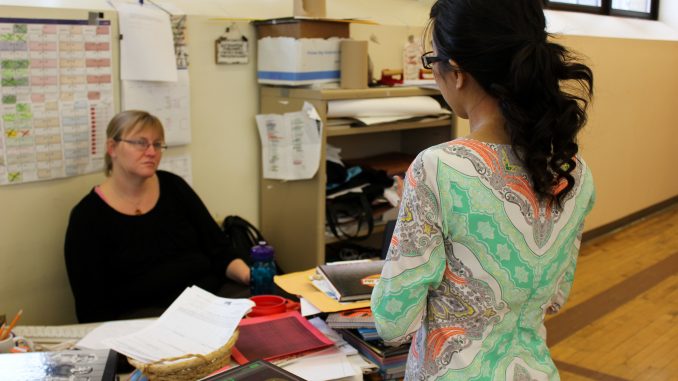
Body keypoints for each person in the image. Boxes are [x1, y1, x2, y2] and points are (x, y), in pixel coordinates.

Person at [370, 0, 595, 379]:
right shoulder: (574, 171)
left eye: (433, 61)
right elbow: (555, 298)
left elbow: (394, 324)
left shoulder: (438, 167)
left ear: (456, 71)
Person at [65, 110, 251, 323]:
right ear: (112, 148)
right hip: (144, 322)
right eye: (141, 143)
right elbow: (92, 308)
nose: (151, 152)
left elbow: (220, 251)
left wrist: (250, 276)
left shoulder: (174, 186)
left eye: (157, 144)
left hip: (210, 301)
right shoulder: (88, 217)